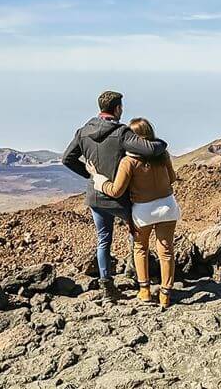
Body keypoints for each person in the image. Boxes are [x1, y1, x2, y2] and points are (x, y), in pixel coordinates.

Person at [62, 91, 168, 303]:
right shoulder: (121, 133)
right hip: (120, 197)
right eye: (121, 107)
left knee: (103, 240)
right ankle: (137, 276)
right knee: (136, 235)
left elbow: (67, 158)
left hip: (95, 196)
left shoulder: (83, 131)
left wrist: (90, 175)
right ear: (117, 108)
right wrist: (162, 144)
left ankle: (107, 287)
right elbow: (149, 149)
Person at [86, 117, 181, 307]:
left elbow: (116, 190)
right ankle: (165, 295)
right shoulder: (163, 155)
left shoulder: (128, 161)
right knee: (167, 252)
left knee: (141, 249)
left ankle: (144, 292)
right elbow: (172, 178)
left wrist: (97, 178)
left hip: (143, 211)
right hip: (168, 207)